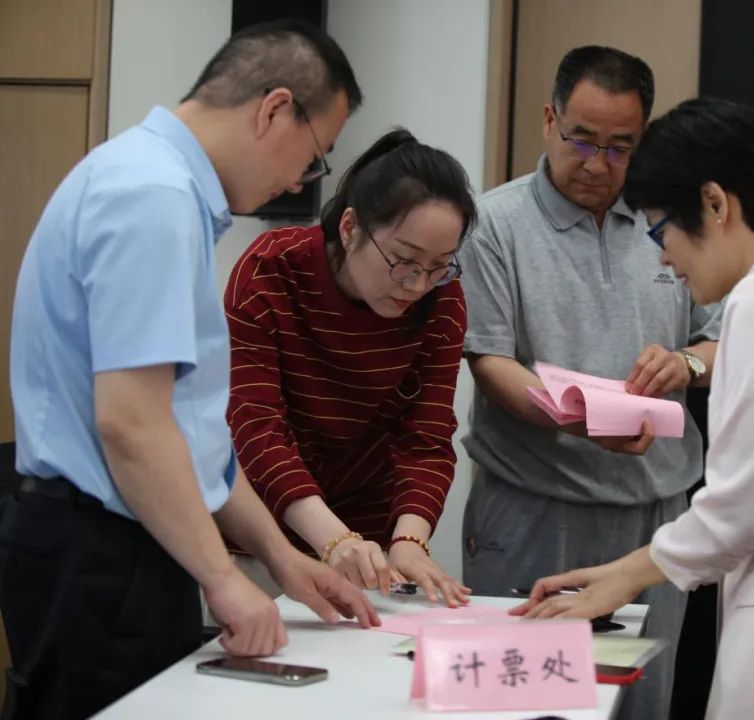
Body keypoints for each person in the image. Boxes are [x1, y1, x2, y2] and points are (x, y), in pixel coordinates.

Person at [1, 21, 380, 719]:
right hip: (104, 548)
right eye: (315, 156)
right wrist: (221, 577)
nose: (299, 180)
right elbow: (132, 425)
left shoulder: (150, 181)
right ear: (274, 109)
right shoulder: (153, 197)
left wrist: (280, 558)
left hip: (122, 538)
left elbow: (187, 433)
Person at [514, 97, 754, 720]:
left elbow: (735, 510)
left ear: (716, 204)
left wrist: (623, 576)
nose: (664, 258)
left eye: (660, 231)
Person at [457, 46, 723, 720]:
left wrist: (687, 364)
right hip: (535, 507)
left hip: (654, 514)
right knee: (526, 703)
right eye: (581, 140)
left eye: (619, 147)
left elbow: (725, 337)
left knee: (643, 703)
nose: (597, 164)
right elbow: (489, 362)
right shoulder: (494, 224)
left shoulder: (670, 221)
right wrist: (574, 417)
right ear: (549, 119)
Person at [223, 128, 476, 607]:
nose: (417, 284)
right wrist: (332, 538)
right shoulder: (271, 270)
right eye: (403, 261)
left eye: (439, 265)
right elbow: (256, 425)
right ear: (349, 227)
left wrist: (409, 541)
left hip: (368, 548)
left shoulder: (442, 298)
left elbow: (426, 438)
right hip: (262, 540)